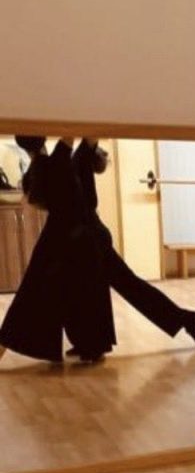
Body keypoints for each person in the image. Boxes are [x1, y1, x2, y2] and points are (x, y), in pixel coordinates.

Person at [67, 138, 195, 359]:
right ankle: (89, 343)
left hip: (93, 238)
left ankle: (186, 319)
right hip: (90, 237)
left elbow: (91, 135)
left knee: (124, 287)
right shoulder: (76, 159)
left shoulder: (80, 156)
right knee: (118, 287)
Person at [0, 135, 113, 364]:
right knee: (78, 294)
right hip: (74, 239)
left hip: (64, 237)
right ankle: (91, 347)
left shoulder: (38, 169)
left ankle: (89, 347)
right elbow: (70, 134)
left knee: (37, 295)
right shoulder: (57, 161)